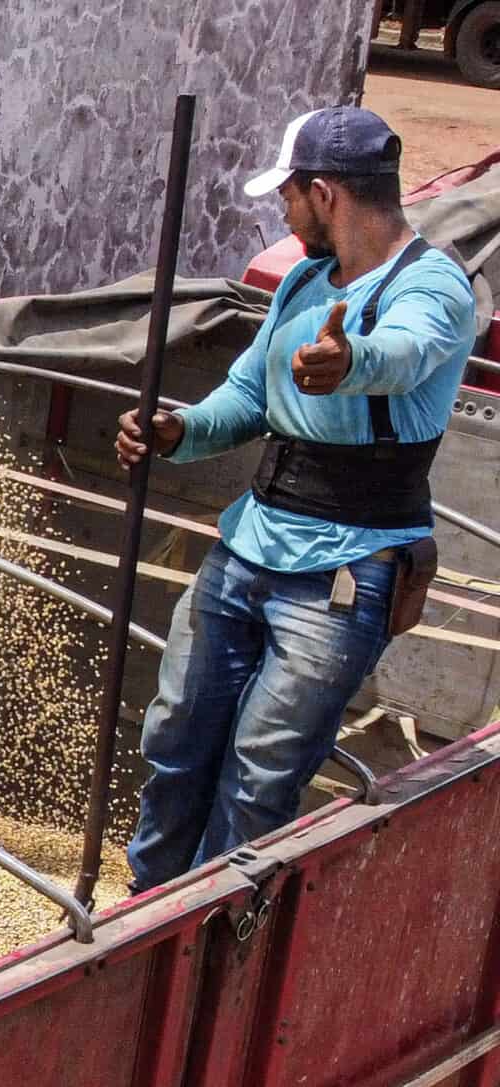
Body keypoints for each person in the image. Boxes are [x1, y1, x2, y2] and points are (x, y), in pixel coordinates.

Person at [114, 107, 477, 892]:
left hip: (343, 573)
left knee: (260, 775)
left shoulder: (433, 286)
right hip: (247, 549)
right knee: (176, 738)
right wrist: (179, 430)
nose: (281, 210)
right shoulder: (306, 282)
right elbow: (248, 394)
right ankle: (145, 911)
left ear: (325, 193)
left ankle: (216, 926)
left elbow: (404, 351)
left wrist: (351, 362)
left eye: (287, 194)